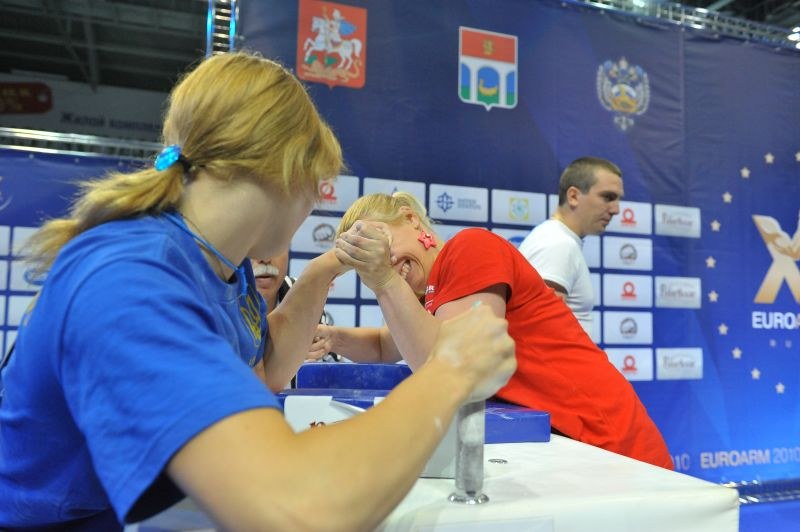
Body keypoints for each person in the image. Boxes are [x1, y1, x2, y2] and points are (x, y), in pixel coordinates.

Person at [0, 52, 517, 531]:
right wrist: (452, 370)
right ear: (292, 167)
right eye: (322, 180)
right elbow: (292, 509)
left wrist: (321, 271)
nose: (319, 199)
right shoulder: (130, 277)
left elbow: (265, 368)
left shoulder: (222, 267)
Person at [320, 191, 673, 469]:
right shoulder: (424, 294)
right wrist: (332, 337)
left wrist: (383, 280)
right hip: (575, 449)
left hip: (612, 443)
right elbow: (385, 346)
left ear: (411, 219)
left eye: (378, 241)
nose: (381, 257)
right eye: (363, 256)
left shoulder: (470, 247)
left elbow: (454, 368)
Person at [517, 156, 624, 334]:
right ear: (573, 196)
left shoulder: (560, 240)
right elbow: (541, 335)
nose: (616, 209)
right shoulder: (557, 243)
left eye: (618, 199)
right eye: (608, 197)